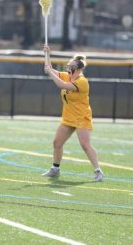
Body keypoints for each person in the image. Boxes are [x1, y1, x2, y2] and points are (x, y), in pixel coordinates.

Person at [41, 44, 103, 182]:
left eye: (72, 66)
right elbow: (49, 69)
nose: (69, 68)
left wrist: (50, 72)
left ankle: (98, 172)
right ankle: (55, 169)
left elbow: (61, 85)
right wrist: (48, 54)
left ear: (79, 69)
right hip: (68, 117)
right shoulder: (68, 76)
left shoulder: (82, 82)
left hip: (82, 117)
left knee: (85, 145)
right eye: (69, 66)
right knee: (57, 142)